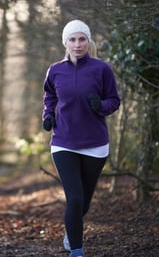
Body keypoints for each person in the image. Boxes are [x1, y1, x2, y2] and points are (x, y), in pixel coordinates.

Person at [42, 20, 120, 257]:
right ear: (65, 43)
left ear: (88, 41)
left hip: (95, 144)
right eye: (72, 40)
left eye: (82, 39)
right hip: (63, 141)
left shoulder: (102, 69)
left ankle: (70, 230)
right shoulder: (55, 70)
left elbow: (114, 101)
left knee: (83, 201)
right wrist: (47, 115)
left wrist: (101, 106)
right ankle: (76, 249)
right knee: (74, 196)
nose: (77, 44)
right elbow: (50, 97)